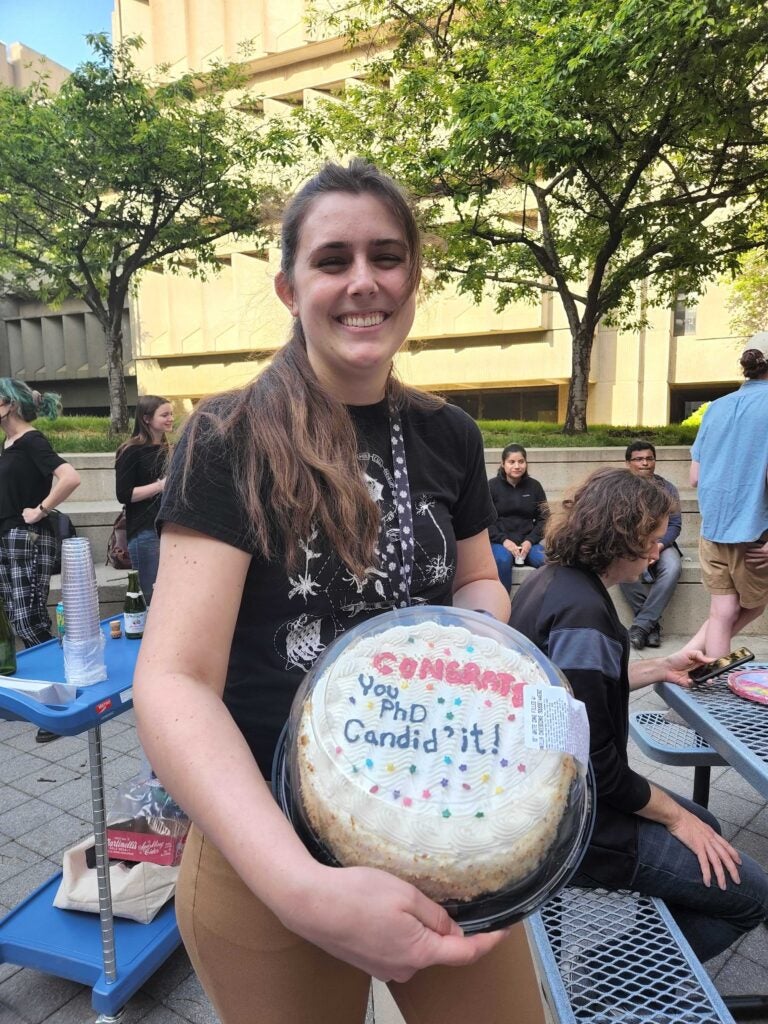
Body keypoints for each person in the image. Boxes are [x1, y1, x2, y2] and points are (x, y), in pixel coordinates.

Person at [132, 160, 546, 1024]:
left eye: (387, 256)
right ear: (290, 287)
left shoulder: (449, 435)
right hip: (269, 852)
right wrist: (301, 892)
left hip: (441, 824)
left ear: (414, 278)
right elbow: (173, 682)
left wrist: (475, 658)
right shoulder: (227, 436)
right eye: (333, 260)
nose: (364, 282)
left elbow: (476, 580)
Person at [508, 467, 768, 962]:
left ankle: (653, 932)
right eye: (650, 540)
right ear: (617, 537)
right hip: (572, 822)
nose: (657, 551)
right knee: (749, 896)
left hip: (551, 795)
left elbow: (569, 692)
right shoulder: (583, 615)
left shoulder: (551, 582)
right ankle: (606, 985)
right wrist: (674, 821)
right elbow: (601, 769)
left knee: (706, 820)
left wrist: (660, 667)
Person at [0, 379, 81, 742]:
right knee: (17, 617)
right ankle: (48, 699)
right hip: (8, 537)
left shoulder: (32, 440)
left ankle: (60, 704)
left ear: (9, 405)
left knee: (28, 619)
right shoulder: (9, 444)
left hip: (27, 536)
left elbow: (70, 476)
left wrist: (41, 509)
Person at [686, 332, 768, 657]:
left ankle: (706, 672)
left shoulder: (716, 407)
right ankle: (696, 659)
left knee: (722, 612)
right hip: (754, 534)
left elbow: (694, 477)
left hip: (713, 529)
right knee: (754, 606)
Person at [619, 440, 683, 650]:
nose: (645, 463)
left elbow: (674, 525)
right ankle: (649, 626)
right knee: (621, 565)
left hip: (662, 543)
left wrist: (659, 546)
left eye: (649, 458)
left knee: (673, 567)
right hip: (631, 543)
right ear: (629, 463)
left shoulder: (667, 489)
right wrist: (639, 546)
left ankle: (640, 627)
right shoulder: (620, 489)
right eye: (638, 459)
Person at [115, 395, 173, 603]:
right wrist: (161, 485)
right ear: (146, 419)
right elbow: (124, 494)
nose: (170, 418)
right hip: (145, 531)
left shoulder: (168, 449)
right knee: (151, 598)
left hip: (169, 529)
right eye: (164, 415)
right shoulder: (131, 451)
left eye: (171, 414)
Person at [488, 443, 547, 590]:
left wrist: (529, 541)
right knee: (502, 560)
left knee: (546, 560)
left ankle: (543, 607)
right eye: (511, 462)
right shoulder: (491, 486)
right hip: (501, 543)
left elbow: (544, 519)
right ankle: (503, 608)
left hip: (528, 543)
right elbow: (484, 520)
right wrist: (504, 541)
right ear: (502, 464)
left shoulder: (534, 486)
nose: (517, 466)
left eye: (521, 461)